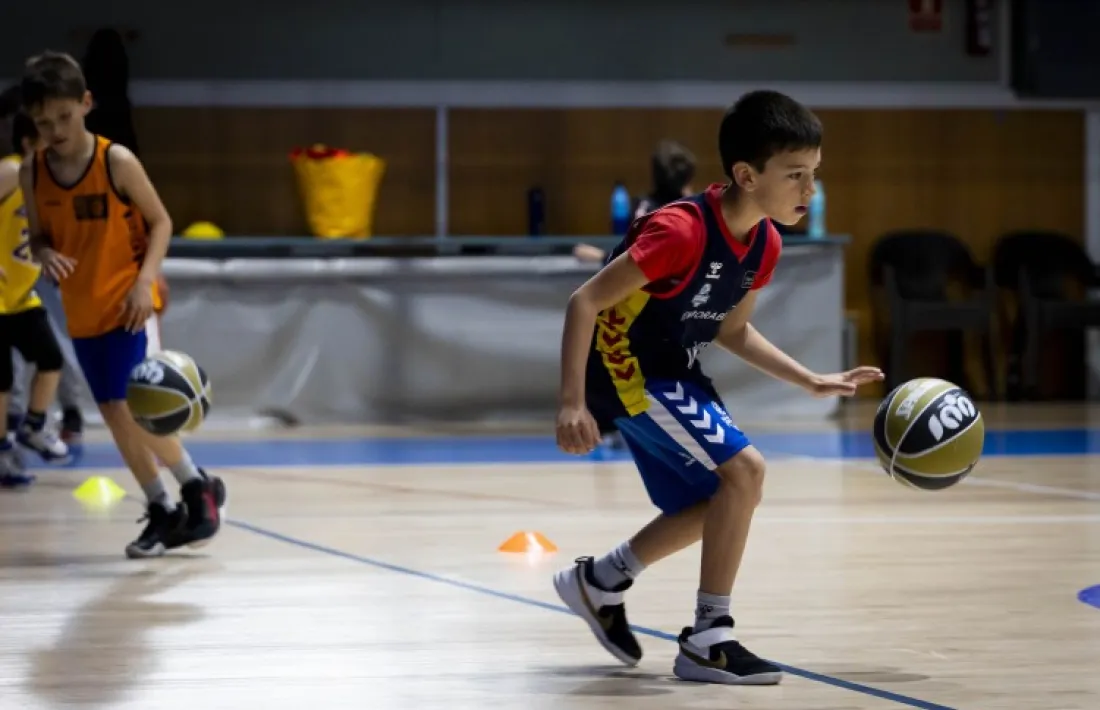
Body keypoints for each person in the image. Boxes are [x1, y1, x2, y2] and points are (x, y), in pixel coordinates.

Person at [552, 90, 883, 686]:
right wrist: (572, 403)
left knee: (723, 498)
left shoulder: (766, 242)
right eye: (796, 176)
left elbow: (732, 329)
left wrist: (809, 379)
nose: (809, 191)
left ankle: (600, 580)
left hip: (675, 370)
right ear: (746, 175)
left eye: (814, 175)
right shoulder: (680, 230)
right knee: (746, 472)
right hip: (627, 367)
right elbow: (586, 300)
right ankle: (709, 638)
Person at [19, 50, 225, 557]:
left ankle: (187, 497)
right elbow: (39, 237)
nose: (56, 130)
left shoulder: (116, 161)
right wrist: (44, 253)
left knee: (133, 408)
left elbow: (162, 222)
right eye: (44, 123)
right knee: (114, 415)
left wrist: (144, 281)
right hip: (82, 310)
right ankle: (174, 499)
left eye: (64, 117)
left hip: (131, 303)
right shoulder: (34, 171)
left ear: (86, 103)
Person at [0, 111, 71, 486]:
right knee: (1, 381)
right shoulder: (12, 170)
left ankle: (34, 426)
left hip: (21, 295)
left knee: (51, 358)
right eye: (47, 134)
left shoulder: (46, 183)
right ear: (28, 143)